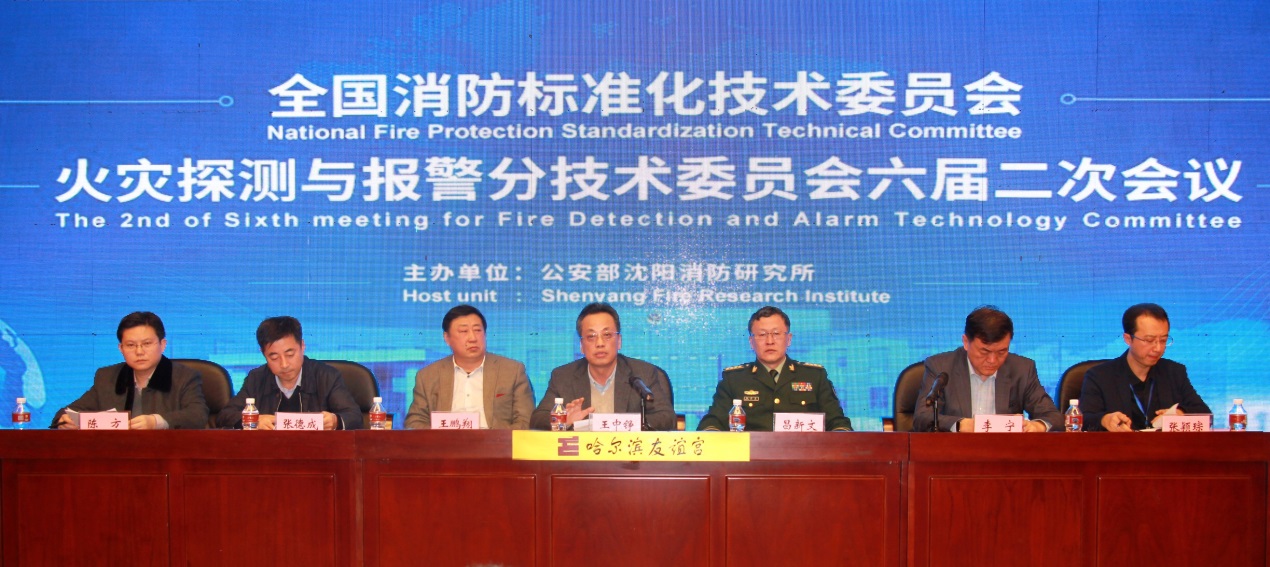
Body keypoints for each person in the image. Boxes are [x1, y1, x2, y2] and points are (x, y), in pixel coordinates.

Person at [698, 306, 852, 431]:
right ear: (751, 342)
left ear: (789, 339)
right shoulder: (734, 379)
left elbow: (838, 423)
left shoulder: (814, 376)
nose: (770, 341)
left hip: (803, 457)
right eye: (762, 335)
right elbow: (712, 422)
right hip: (751, 458)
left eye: (776, 333)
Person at [912, 306, 1061, 433]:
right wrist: (961, 425)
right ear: (966, 342)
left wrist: (1037, 426)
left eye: (1001, 352)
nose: (992, 360)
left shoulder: (1022, 369)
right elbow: (922, 418)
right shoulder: (940, 367)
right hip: (956, 453)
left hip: (1006, 454)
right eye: (984, 351)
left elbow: (1055, 418)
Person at [530, 303, 675, 430]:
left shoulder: (643, 373)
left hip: (628, 453)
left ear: (619, 341)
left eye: (607, 335)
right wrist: (564, 420)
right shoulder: (563, 376)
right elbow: (537, 420)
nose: (599, 343)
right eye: (591, 336)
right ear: (581, 345)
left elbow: (667, 418)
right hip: (582, 453)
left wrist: (624, 425)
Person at [52, 311, 208, 429]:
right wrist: (64, 421)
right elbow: (69, 412)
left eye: (147, 344)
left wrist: (156, 422)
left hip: (167, 455)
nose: (139, 351)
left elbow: (198, 415)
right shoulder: (107, 377)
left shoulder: (184, 377)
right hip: (117, 455)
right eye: (131, 345)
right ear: (121, 348)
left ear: (163, 345)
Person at [1080, 303, 1210, 431]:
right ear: (1128, 339)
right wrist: (1104, 420)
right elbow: (1082, 419)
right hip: (1120, 444)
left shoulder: (1174, 372)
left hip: (1165, 445)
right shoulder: (1099, 376)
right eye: (1149, 340)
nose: (1158, 348)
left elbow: (1206, 415)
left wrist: (1180, 414)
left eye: (1163, 340)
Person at [217, 316, 362, 430]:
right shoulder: (256, 379)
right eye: (274, 357)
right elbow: (225, 416)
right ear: (263, 354)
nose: (284, 364)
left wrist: (335, 421)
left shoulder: (326, 377)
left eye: (290, 354)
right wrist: (254, 420)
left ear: (302, 346)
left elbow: (354, 416)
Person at [405, 305, 535, 429]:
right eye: (463, 331)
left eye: (478, 330)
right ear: (447, 338)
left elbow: (526, 421)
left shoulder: (512, 371)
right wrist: (439, 436)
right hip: (444, 442)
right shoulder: (428, 375)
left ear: (485, 334)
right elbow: (414, 422)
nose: (472, 338)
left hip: (495, 443)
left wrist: (491, 438)